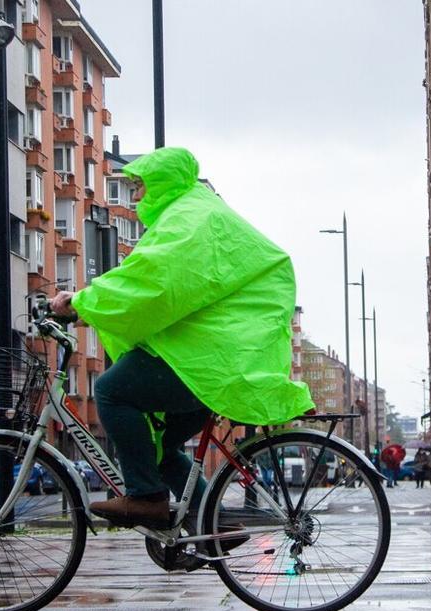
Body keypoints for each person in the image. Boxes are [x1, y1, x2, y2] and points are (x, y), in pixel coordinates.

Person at [50, 147, 314, 528]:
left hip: (205, 360)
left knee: (109, 390)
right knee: (157, 449)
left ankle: (146, 498)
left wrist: (81, 301)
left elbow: (152, 282)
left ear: (164, 183)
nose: (137, 197)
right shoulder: (198, 212)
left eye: (140, 187)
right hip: (218, 356)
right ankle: (215, 526)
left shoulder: (188, 219)